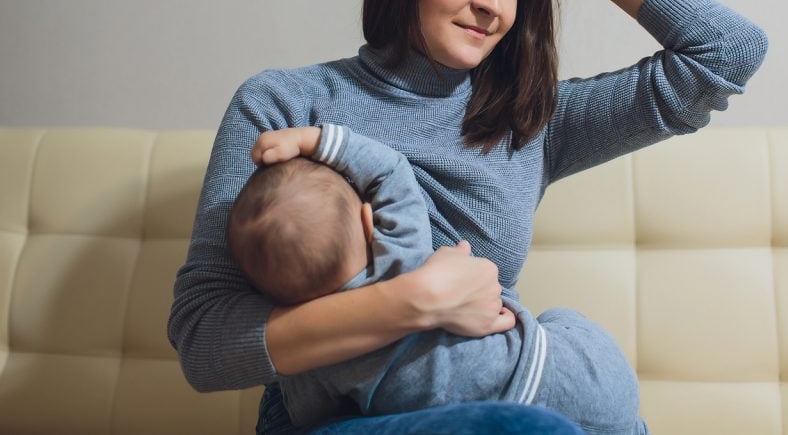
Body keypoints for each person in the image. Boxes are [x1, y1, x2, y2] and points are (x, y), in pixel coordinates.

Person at [168, 0, 769, 434]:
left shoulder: (531, 118)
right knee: (522, 428)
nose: (493, 3)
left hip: (489, 396)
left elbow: (729, 50)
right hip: (337, 418)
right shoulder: (285, 104)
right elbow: (205, 343)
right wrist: (414, 302)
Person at [227, 123, 646, 432]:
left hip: (519, 404)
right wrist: (312, 140)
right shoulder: (400, 254)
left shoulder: (314, 358)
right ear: (368, 219)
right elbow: (390, 171)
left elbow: (305, 418)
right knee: (559, 319)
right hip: (576, 368)